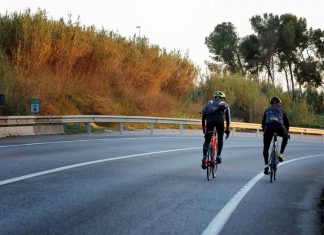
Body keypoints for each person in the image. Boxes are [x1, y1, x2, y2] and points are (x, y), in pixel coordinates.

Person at [200, 90, 231, 169]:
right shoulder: (224, 104)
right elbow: (228, 118)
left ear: (215, 97)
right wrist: (227, 129)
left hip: (209, 121)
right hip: (219, 121)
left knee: (207, 140)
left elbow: (204, 115)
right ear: (222, 98)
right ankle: (218, 156)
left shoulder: (209, 103)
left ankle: (204, 158)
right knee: (220, 138)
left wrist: (204, 127)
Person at [262, 96, 289, 175]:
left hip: (268, 128)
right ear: (279, 103)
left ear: (271, 104)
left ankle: (266, 165)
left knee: (266, 147)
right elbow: (287, 124)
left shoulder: (267, 110)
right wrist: (287, 133)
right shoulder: (282, 110)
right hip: (279, 127)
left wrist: (265, 132)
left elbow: (263, 123)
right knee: (285, 137)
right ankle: (281, 154)